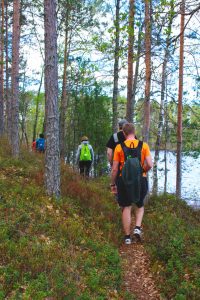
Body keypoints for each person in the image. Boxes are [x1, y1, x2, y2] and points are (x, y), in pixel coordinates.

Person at [110, 123, 153, 245]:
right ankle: (137, 228)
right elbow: (150, 164)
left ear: (123, 133)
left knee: (126, 207)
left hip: (123, 181)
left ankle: (127, 237)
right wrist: (142, 171)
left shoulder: (119, 147)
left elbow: (114, 169)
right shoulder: (144, 145)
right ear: (134, 132)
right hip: (141, 180)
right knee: (140, 206)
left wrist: (112, 184)